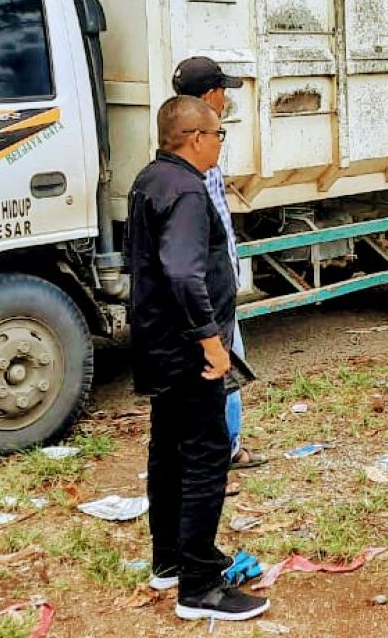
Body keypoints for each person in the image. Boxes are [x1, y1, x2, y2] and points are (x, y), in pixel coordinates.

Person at [126, 95, 270, 622]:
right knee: (207, 454)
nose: (219, 144)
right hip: (190, 350)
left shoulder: (151, 178)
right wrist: (212, 341)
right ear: (193, 137)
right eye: (218, 136)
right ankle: (200, 586)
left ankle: (170, 559)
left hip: (159, 342)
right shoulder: (187, 190)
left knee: (168, 450)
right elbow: (185, 273)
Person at [171, 57, 267, 474]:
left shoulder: (176, 144)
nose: (226, 100)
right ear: (210, 95)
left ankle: (212, 445)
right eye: (223, 91)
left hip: (204, 280)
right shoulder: (200, 154)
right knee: (224, 363)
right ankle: (224, 449)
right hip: (212, 283)